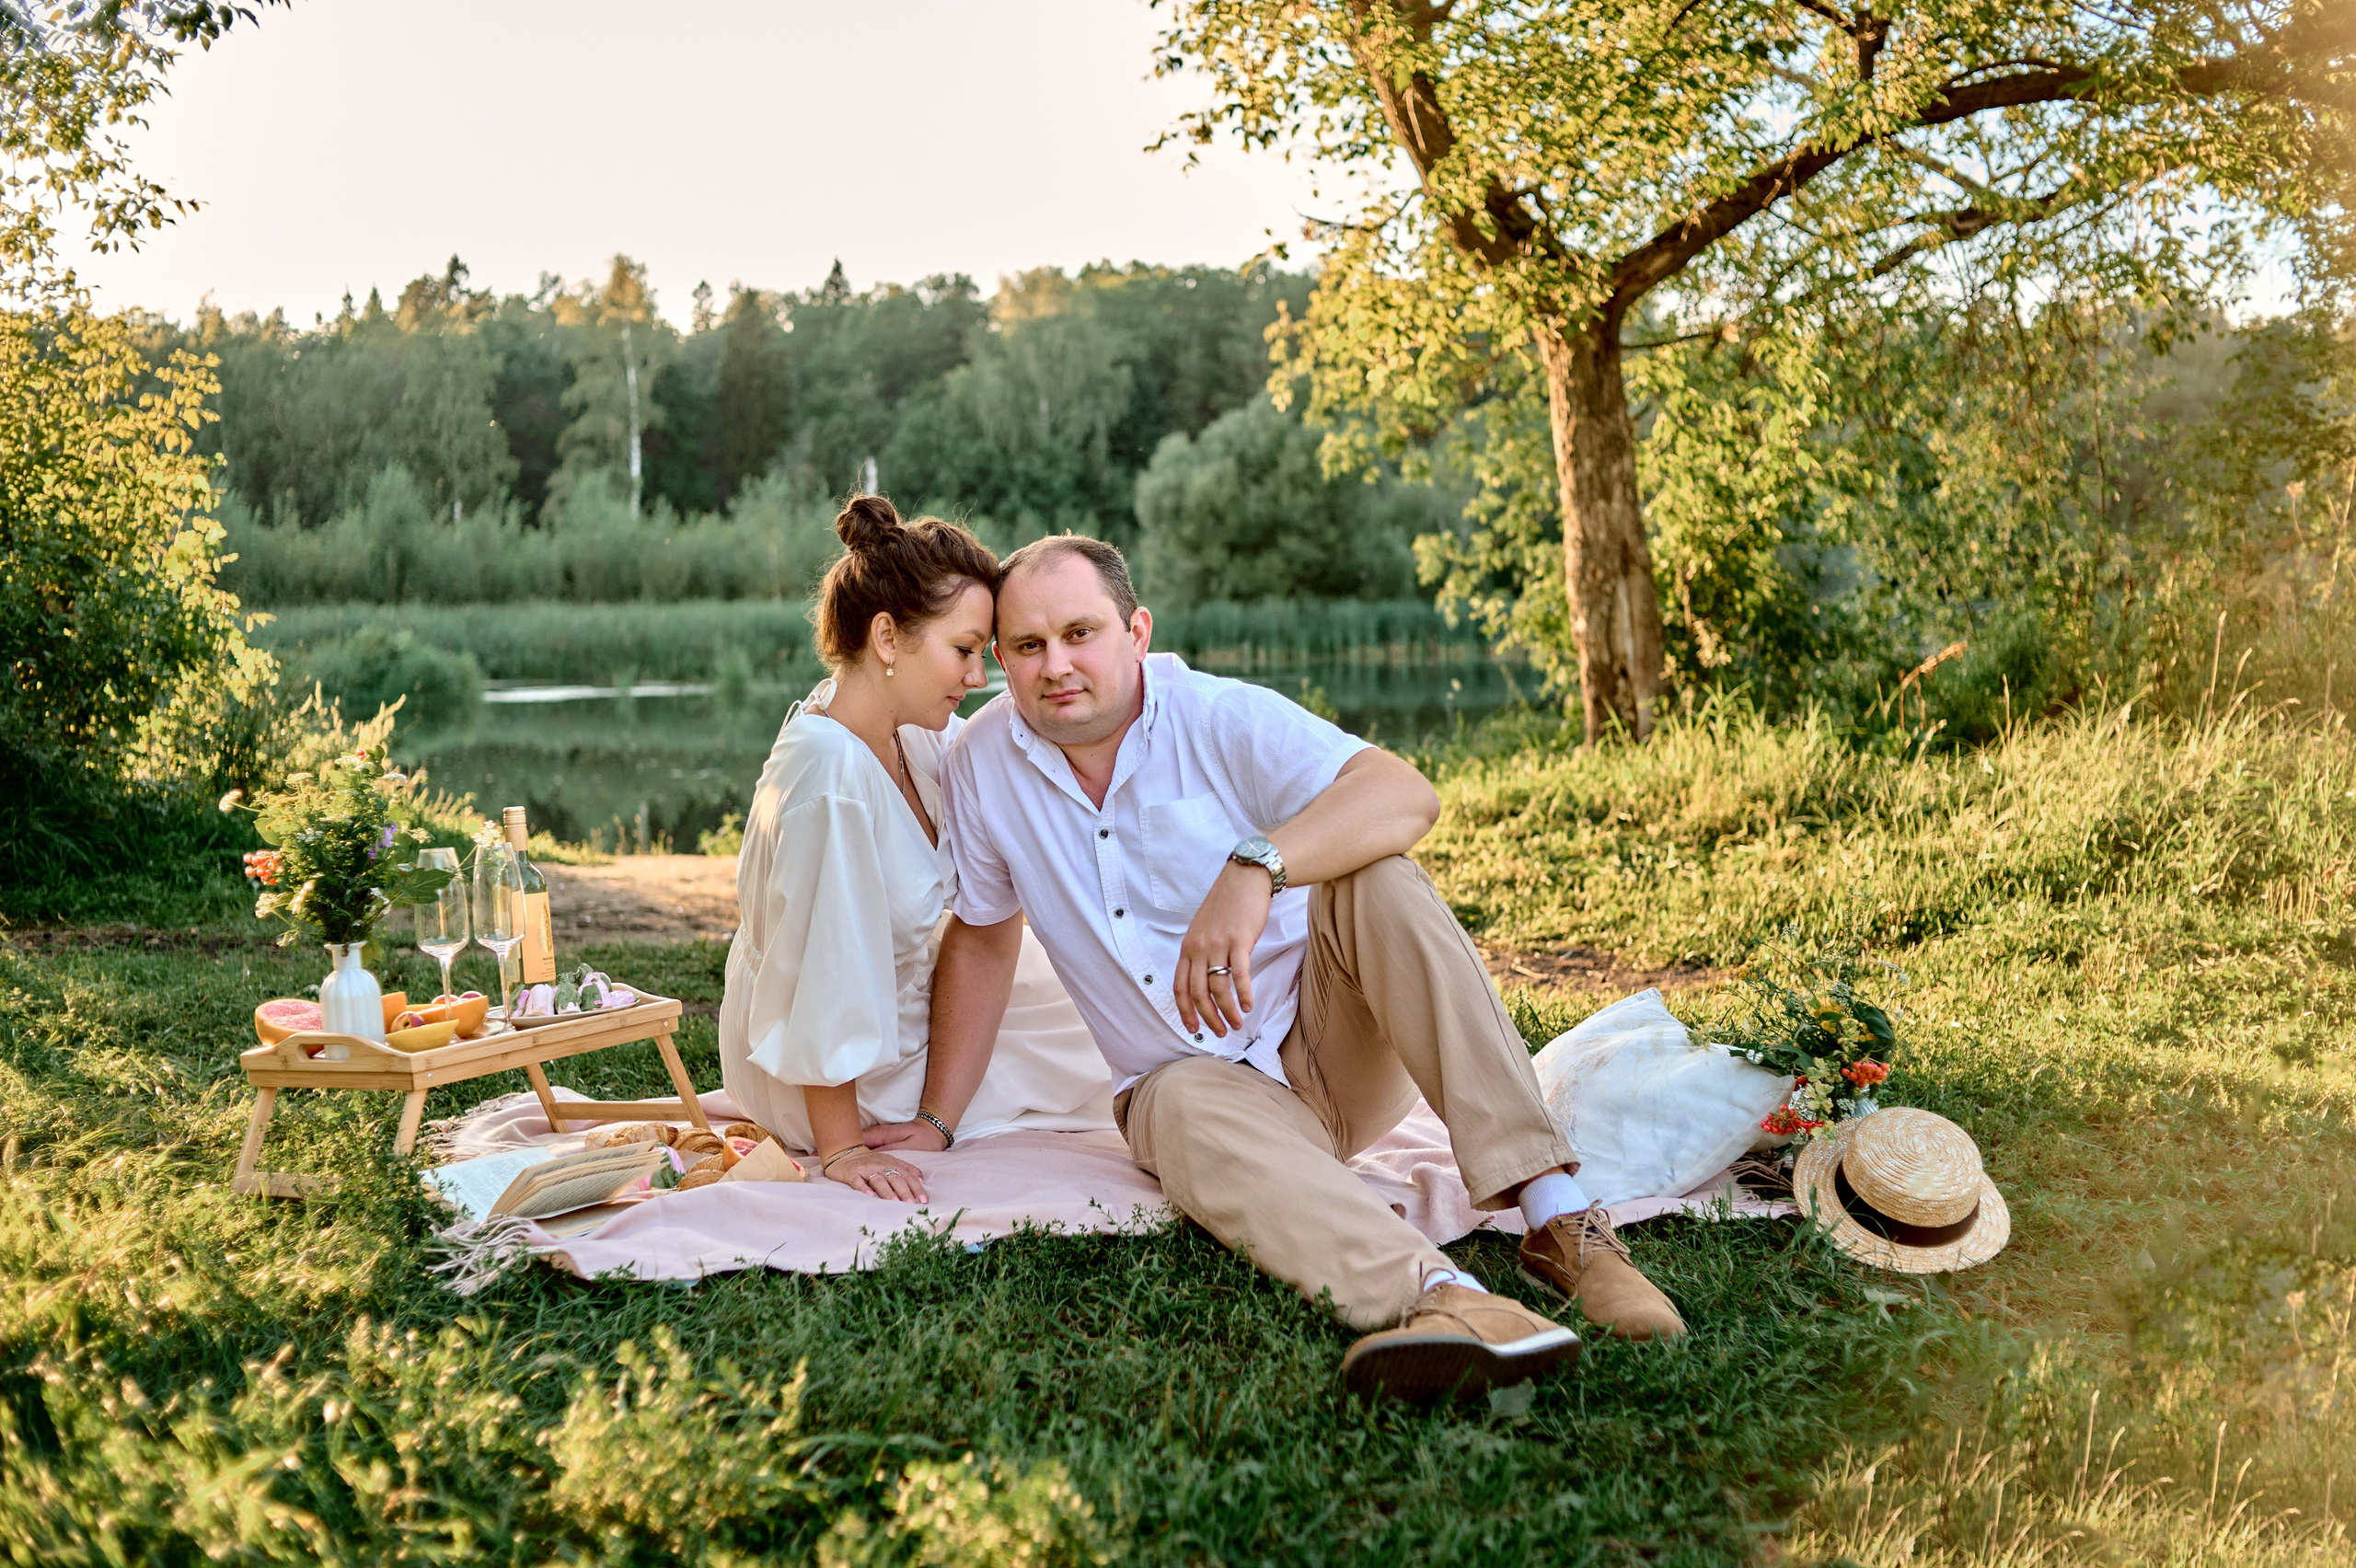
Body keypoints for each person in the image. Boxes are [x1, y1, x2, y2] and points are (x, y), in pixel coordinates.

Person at [910, 535, 1685, 1402]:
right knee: (1168, 1099)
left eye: (1080, 633)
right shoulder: (981, 762)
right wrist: (938, 1120)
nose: (1057, 664)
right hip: (1199, 1092)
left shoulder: (1217, 716)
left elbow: (1403, 794)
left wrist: (1255, 866)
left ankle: (1557, 1219)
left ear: (1135, 632)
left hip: (1332, 1046)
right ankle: (1451, 1302)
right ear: (1004, 659)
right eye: (1027, 645)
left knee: (1377, 876)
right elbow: (981, 936)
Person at [716, 498, 1115, 1203]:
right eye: (964, 651)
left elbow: (1009, 798)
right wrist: (840, 1149)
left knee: (1101, 983)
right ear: (888, 638)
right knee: (1095, 1045)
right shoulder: (831, 778)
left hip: (902, 1001)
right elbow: (823, 968)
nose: (977, 677)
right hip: (835, 1076)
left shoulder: (907, 728)